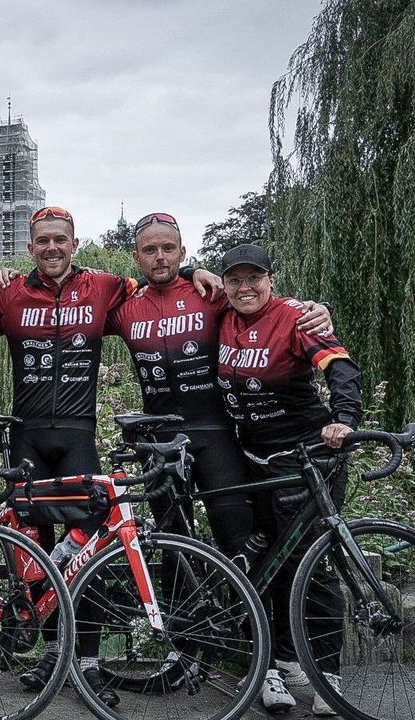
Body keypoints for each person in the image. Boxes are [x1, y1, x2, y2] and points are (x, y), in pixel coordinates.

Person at [0, 206, 207, 704]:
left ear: (73, 243)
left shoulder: (103, 286)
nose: (52, 248)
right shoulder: (5, 291)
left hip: (77, 439)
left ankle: (84, 662)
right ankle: (45, 652)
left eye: (61, 239)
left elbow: (157, 280)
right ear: (31, 247)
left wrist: (194, 271)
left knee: (90, 553)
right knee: (32, 560)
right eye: (43, 240)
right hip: (27, 440)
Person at [104, 212, 330, 560]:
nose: (160, 257)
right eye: (150, 250)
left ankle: (247, 616)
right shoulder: (124, 307)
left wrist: (316, 309)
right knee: (172, 547)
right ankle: (181, 616)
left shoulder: (212, 293)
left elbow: (263, 301)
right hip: (159, 441)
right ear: (136, 257)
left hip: (215, 435)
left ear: (182, 251)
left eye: (168, 248)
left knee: (237, 540)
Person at [217, 243, 361, 716]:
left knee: (312, 565)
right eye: (234, 280)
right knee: (267, 562)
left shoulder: (296, 319)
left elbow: (339, 366)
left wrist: (344, 417)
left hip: (309, 459)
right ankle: (277, 662)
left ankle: (327, 674)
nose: (244, 288)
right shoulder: (223, 315)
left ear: (271, 280)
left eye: (253, 278)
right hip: (254, 461)